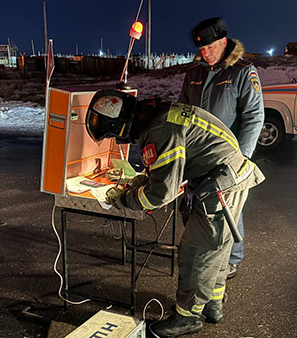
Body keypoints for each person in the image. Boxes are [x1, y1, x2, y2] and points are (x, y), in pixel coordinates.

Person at [85, 89, 265, 338]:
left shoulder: (159, 130)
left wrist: (125, 199)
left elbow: (160, 194)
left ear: (122, 125)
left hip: (220, 186)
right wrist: (141, 180)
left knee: (197, 253)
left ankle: (187, 318)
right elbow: (170, 165)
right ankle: (212, 305)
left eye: (115, 136)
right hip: (225, 177)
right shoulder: (160, 115)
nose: (119, 142)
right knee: (216, 249)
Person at [179, 17, 264, 279]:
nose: (206, 54)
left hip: (228, 157)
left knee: (227, 207)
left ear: (224, 42)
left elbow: (253, 117)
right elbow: (182, 112)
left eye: (211, 48)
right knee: (196, 203)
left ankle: (233, 259)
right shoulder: (194, 73)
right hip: (196, 155)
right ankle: (202, 251)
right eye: (202, 49)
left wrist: (243, 159)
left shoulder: (241, 71)